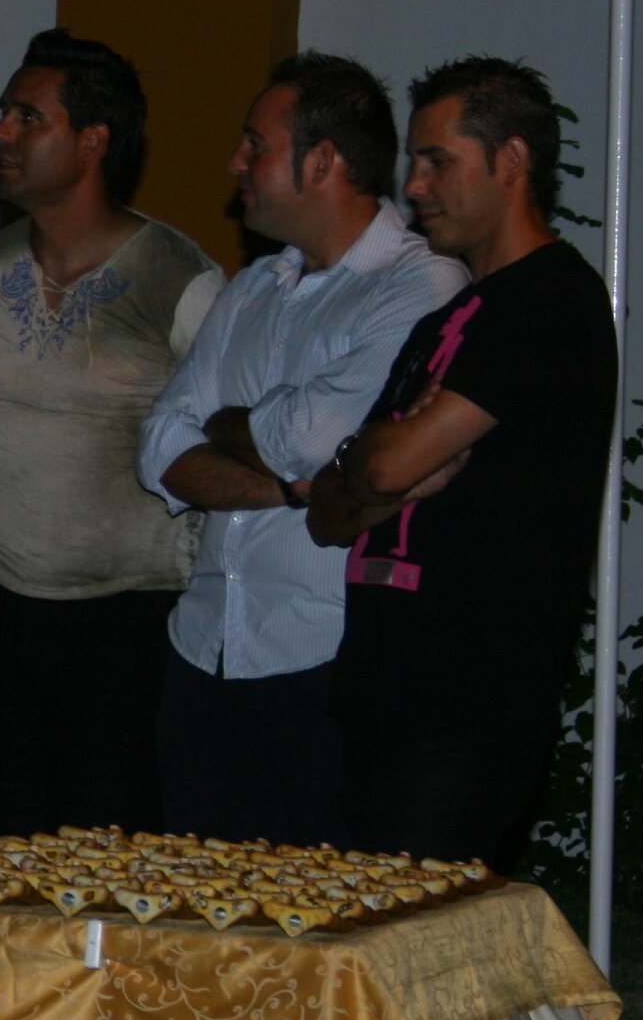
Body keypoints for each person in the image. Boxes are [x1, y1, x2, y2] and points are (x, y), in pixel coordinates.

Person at [137, 53, 464, 847]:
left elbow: (312, 439)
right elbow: (160, 444)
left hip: (326, 662)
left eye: (256, 145)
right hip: (204, 651)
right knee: (196, 902)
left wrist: (235, 428)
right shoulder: (252, 288)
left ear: (323, 161)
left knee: (324, 906)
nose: (235, 164)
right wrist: (289, 488)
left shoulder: (418, 285)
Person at [307, 58, 615, 866]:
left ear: (512, 161)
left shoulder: (550, 299)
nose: (414, 186)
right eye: (415, 161)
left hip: (467, 705)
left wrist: (380, 467)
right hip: (382, 693)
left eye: (439, 160)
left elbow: (382, 469)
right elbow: (329, 510)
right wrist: (376, 464)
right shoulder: (447, 319)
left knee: (423, 932)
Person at [0, 31, 221, 835]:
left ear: (94, 140)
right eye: (4, 112)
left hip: (132, 620)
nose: (1, 131)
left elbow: (222, 442)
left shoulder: (179, 276)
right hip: (0, 611)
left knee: (112, 853)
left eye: (28, 116)